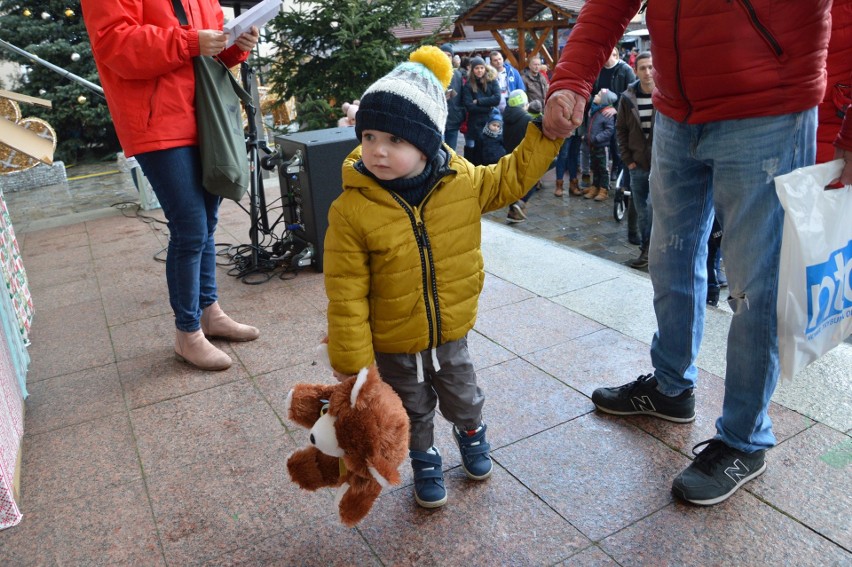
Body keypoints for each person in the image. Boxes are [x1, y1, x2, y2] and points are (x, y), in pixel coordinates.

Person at [544, 0, 852, 507]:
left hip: (770, 108)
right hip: (676, 109)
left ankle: (744, 439)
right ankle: (671, 387)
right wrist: (572, 77)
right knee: (669, 259)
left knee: (756, 287)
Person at [323, 46, 562, 509]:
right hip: (394, 339)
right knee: (410, 409)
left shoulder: (462, 181)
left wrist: (546, 136)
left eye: (394, 139)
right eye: (369, 135)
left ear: (427, 141)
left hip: (450, 329)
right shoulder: (351, 209)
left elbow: (511, 177)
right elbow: (345, 291)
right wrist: (351, 362)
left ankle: (472, 434)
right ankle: (424, 458)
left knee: (463, 394)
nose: (377, 149)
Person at [81, 0, 261, 371]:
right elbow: (116, 45)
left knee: (207, 224)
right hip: (156, 122)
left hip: (203, 116)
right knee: (191, 228)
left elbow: (207, 57)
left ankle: (209, 311)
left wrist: (233, 47)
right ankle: (187, 333)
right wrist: (191, 42)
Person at [615, 51, 655, 269]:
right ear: (636, 70)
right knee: (642, 210)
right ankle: (646, 250)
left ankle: (659, 251)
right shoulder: (627, 97)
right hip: (637, 163)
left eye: (650, 67)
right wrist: (627, 159)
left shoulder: (665, 93)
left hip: (662, 164)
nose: (647, 72)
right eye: (643, 68)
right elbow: (620, 129)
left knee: (658, 208)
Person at [462, 56, 500, 165]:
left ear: (485, 68)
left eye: (482, 68)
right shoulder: (468, 85)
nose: (479, 71)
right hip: (475, 123)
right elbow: (469, 106)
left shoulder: (492, 81)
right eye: (477, 68)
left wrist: (479, 101)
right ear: (472, 70)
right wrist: (489, 106)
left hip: (490, 121)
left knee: (490, 148)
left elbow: (497, 99)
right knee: (475, 151)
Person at [584, 89, 617, 202]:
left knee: (604, 168)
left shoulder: (606, 113)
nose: (595, 96)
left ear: (603, 100)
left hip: (602, 146)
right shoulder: (594, 110)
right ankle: (595, 186)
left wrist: (596, 138)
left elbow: (609, 130)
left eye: (598, 95)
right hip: (592, 145)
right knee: (594, 167)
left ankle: (604, 189)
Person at [440, 43, 465, 153]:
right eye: (443, 54)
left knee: (451, 153)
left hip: (454, 118)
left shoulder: (458, 74)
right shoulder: (433, 72)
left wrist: (461, 113)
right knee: (439, 152)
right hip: (439, 119)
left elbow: (462, 96)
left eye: (449, 55)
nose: (446, 57)